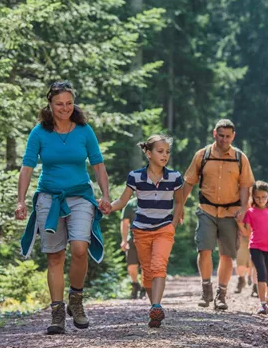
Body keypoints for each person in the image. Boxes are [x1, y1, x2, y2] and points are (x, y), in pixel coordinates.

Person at [15, 81, 110, 335]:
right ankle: (57, 313)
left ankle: (76, 301)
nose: (64, 108)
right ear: (50, 104)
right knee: (55, 256)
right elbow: (27, 167)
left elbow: (98, 165)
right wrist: (21, 200)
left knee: (80, 248)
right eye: (59, 104)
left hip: (80, 195)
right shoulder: (39, 132)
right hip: (50, 198)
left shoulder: (84, 130)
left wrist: (106, 195)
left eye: (69, 103)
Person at [103, 134, 183, 328]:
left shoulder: (174, 177)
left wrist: (172, 224)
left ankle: (156, 305)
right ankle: (154, 311)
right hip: (140, 230)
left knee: (158, 267)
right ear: (148, 153)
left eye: (167, 152)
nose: (165, 155)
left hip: (164, 228)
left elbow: (180, 202)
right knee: (147, 272)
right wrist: (108, 207)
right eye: (160, 151)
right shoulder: (135, 176)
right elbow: (122, 201)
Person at [182, 119, 254, 310]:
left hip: (231, 213)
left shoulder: (240, 158)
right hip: (206, 210)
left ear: (233, 136)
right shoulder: (202, 155)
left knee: (226, 255)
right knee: (204, 249)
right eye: (220, 135)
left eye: (228, 136)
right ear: (214, 133)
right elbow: (189, 182)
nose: (224, 140)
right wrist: (179, 205)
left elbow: (246, 185)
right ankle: (206, 288)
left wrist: (244, 209)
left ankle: (221, 295)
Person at [239, 181, 268, 315]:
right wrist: (238, 223)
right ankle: (262, 304)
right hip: (255, 247)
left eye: (264, 197)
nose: (261, 200)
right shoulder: (250, 212)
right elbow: (247, 233)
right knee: (262, 273)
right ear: (253, 197)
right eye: (258, 197)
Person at [120, 198, 145, 299]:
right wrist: (124, 240)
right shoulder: (130, 204)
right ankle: (135, 284)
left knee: (145, 266)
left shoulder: (152, 201)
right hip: (133, 238)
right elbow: (125, 223)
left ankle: (144, 288)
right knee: (131, 266)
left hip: (147, 239)